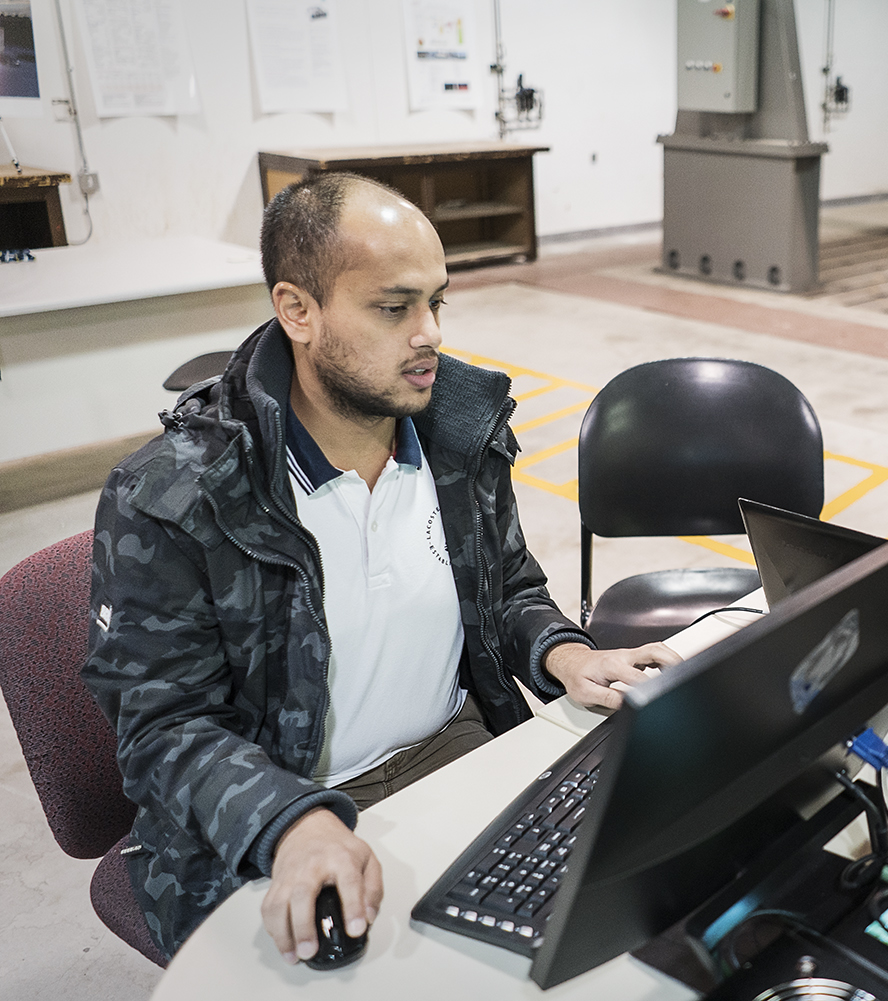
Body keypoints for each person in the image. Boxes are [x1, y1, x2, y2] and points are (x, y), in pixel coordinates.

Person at [83, 173, 680, 965]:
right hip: (281, 799)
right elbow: (162, 725)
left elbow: (508, 590)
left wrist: (567, 653)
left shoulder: (460, 438)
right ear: (298, 310)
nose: (429, 332)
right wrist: (289, 819)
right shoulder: (178, 495)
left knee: (633, 917)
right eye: (394, 308)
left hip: (458, 751)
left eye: (438, 301)